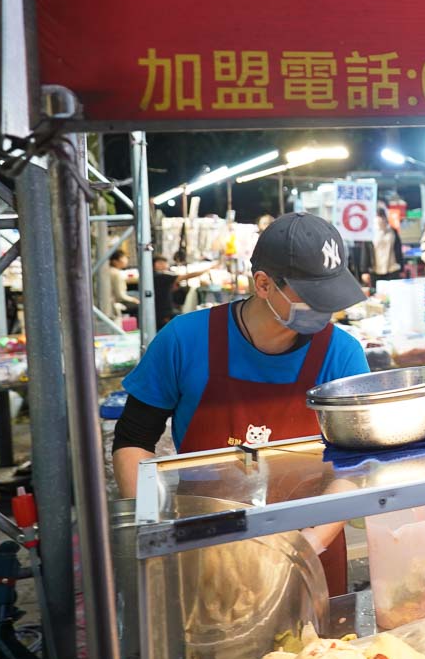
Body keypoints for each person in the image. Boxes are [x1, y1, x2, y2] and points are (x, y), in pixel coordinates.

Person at [111, 212, 368, 594]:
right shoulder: (184, 340)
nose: (327, 310)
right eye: (313, 298)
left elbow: (354, 464)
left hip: (312, 547)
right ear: (263, 284)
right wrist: (160, 533)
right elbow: (133, 438)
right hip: (206, 545)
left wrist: (305, 549)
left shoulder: (341, 353)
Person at [367, 206, 405, 284]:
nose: (380, 219)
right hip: (375, 270)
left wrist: (401, 268)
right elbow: (366, 252)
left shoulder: (392, 231)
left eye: (381, 216)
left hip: (392, 269)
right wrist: (364, 270)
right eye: (377, 216)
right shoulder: (369, 232)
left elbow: (398, 250)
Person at [108, 249, 139, 320]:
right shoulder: (116, 273)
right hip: (116, 301)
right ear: (115, 261)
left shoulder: (111, 271)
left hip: (114, 300)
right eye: (124, 258)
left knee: (136, 294)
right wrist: (133, 300)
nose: (126, 260)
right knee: (140, 303)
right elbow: (120, 296)